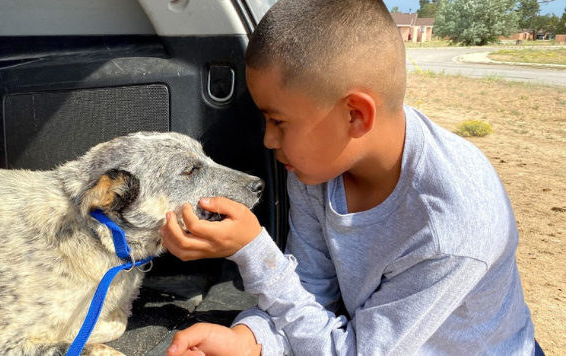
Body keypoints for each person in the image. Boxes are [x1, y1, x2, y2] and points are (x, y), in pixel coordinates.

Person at [159, 0, 539, 355]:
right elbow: (307, 291)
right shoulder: (320, 167)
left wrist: (254, 252)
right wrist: (250, 340)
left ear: (355, 115)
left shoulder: (449, 226)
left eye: (278, 121)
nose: (268, 139)